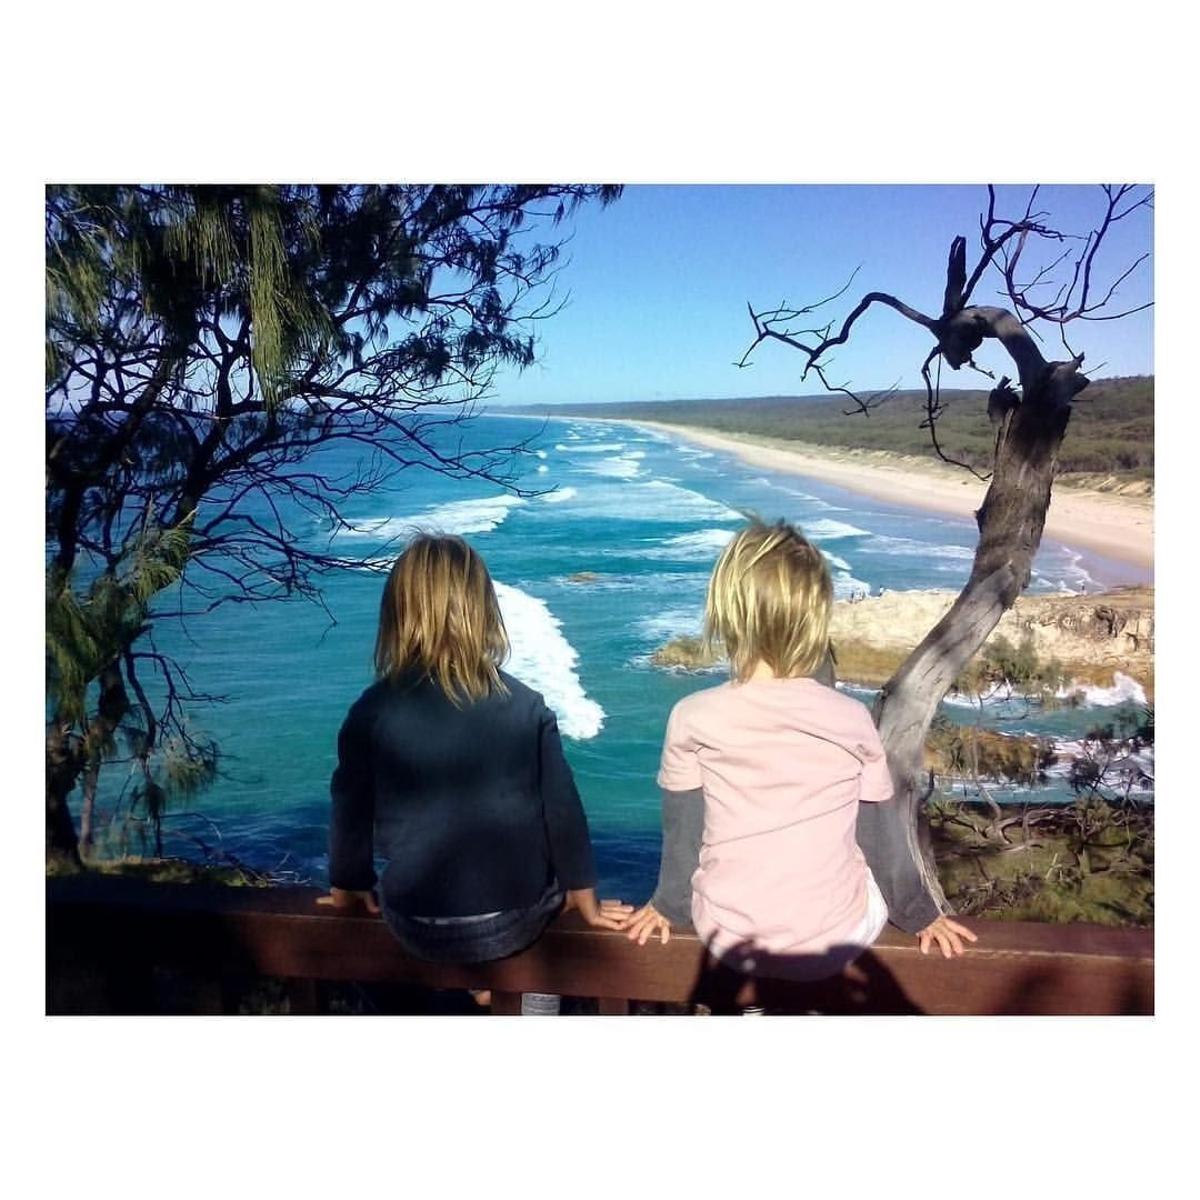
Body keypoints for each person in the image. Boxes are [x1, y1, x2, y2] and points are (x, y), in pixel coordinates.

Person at [618, 518, 976, 987]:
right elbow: (880, 835)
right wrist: (918, 914)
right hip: (835, 939)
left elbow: (684, 831)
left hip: (729, 936)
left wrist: (667, 906)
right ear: (814, 617)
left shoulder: (692, 717)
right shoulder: (851, 719)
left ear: (727, 615)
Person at [319, 533, 629, 1006]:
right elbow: (562, 811)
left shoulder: (371, 712)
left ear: (397, 616)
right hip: (515, 920)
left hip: (417, 923)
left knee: (383, 978)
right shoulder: (526, 706)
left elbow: (349, 810)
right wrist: (581, 888)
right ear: (483, 611)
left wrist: (347, 884)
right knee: (545, 927)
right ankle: (525, 1007)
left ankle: (475, 989)